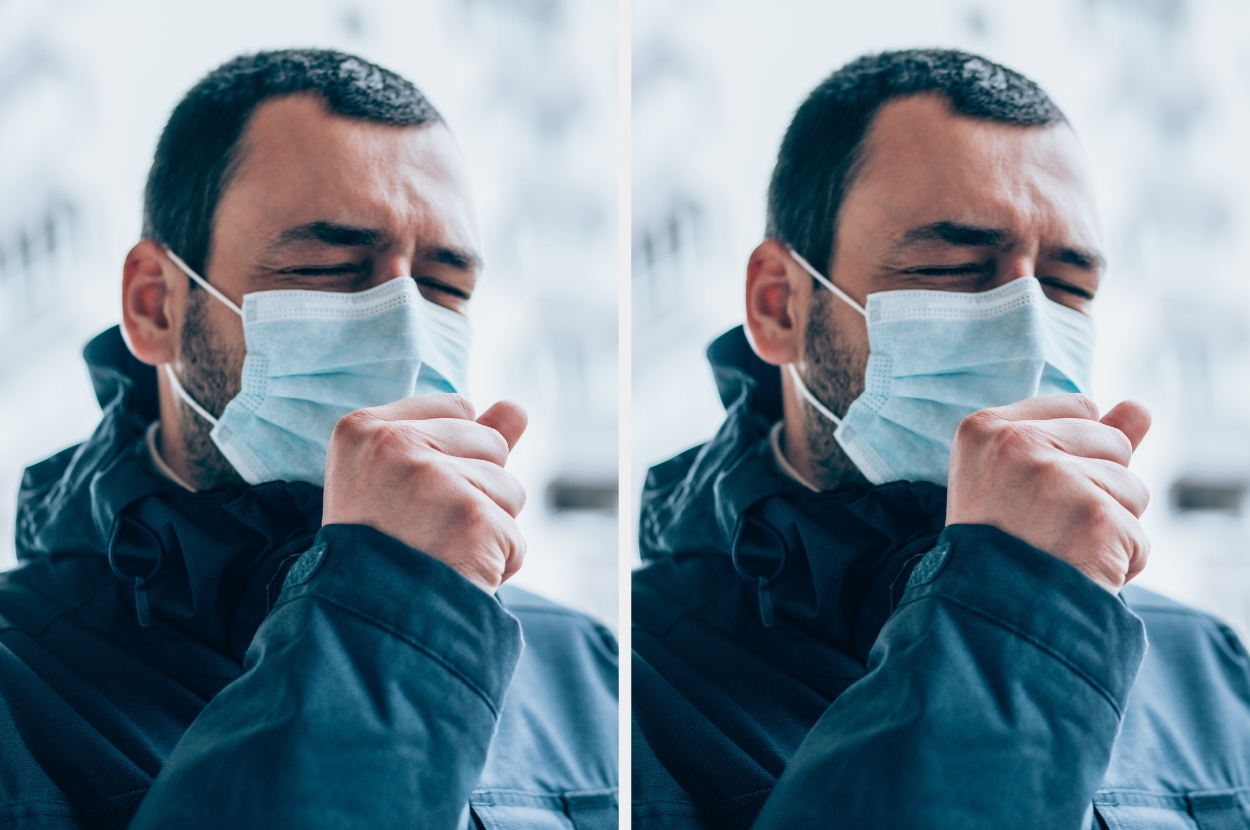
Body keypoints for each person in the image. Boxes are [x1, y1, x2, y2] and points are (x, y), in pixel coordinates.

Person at [632, 49, 1250, 829]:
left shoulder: (1206, 670)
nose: (1029, 336)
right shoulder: (634, 688)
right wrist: (1009, 603)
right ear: (779, 305)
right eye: (955, 268)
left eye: (1066, 288)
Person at [0, 50, 617, 829]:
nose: (404, 335)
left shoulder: (587, 671)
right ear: (156, 305)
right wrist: (387, 607)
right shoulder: (20, 694)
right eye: (330, 269)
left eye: (442, 287)